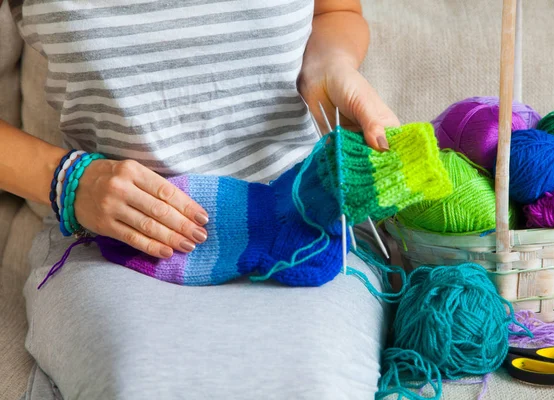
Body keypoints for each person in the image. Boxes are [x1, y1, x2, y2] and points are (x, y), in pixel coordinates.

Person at [0, 0, 400, 398]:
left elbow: (335, 11)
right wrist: (68, 180)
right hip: (117, 243)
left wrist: (328, 67)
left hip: (307, 226)